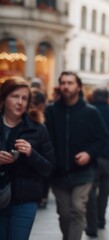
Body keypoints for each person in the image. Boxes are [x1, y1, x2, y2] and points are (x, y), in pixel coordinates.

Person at [45, 71, 108, 240]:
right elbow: (45, 139)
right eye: (63, 82)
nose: (66, 86)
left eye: (70, 83)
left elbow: (103, 138)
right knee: (64, 214)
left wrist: (89, 153)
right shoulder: (50, 111)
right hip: (58, 173)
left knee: (78, 209)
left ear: (78, 87)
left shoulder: (91, 112)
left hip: (83, 172)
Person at [0, 78, 55, 239]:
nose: (20, 102)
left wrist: (32, 154)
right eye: (15, 97)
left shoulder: (37, 128)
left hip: (25, 201)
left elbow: (49, 167)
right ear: (4, 98)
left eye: (24, 98)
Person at [85, 87, 109, 237]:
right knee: (104, 191)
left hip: (92, 157)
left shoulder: (89, 111)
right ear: (108, 97)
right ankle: (101, 220)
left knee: (90, 192)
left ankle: (92, 224)